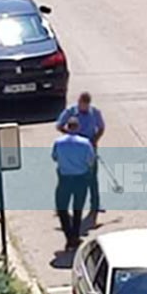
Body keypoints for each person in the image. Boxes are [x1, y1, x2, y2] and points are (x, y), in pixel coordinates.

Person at [56, 92, 106, 223]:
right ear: (79, 102)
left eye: (86, 105)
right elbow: (59, 125)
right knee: (69, 176)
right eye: (82, 105)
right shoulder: (70, 112)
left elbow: (101, 127)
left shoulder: (95, 112)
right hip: (73, 148)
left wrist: (95, 140)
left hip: (89, 146)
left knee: (92, 177)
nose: (84, 108)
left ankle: (95, 205)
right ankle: (63, 206)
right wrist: (71, 135)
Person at [52, 117, 95, 250]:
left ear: (67, 127)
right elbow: (90, 161)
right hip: (80, 178)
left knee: (62, 208)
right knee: (78, 208)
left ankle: (68, 235)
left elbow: (54, 157)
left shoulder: (58, 142)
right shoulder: (85, 143)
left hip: (64, 178)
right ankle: (75, 236)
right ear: (77, 128)